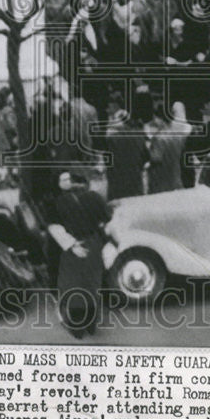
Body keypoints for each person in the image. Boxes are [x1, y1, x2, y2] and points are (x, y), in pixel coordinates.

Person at [46, 171, 112, 338]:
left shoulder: (57, 202)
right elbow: (105, 220)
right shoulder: (95, 198)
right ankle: (91, 325)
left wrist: (72, 245)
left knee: (73, 286)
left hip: (73, 246)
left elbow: (55, 228)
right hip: (93, 244)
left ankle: (77, 328)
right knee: (91, 285)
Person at [104, 93, 148, 201]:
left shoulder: (111, 133)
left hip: (117, 180)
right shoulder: (138, 133)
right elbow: (145, 156)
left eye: (108, 106)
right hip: (135, 179)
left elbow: (107, 158)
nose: (107, 110)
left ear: (115, 105)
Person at [146, 117, 185, 194]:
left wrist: (147, 150)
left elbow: (156, 158)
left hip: (161, 180)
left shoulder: (158, 138)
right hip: (175, 178)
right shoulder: (178, 136)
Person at [0, 86, 19, 184]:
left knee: (3, 158)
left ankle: (3, 177)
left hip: (0, 137)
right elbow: (12, 125)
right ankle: (12, 179)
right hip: (9, 137)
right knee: (12, 157)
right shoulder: (8, 110)